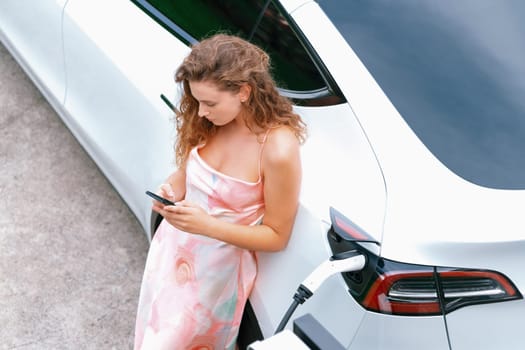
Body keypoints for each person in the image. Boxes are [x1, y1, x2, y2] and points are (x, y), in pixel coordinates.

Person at [134, 33, 306, 349]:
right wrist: (172, 190)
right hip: (170, 253)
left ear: (244, 91)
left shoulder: (277, 148)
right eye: (197, 101)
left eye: (209, 103)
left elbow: (277, 236)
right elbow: (185, 175)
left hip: (212, 279)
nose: (199, 112)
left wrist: (207, 226)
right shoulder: (212, 121)